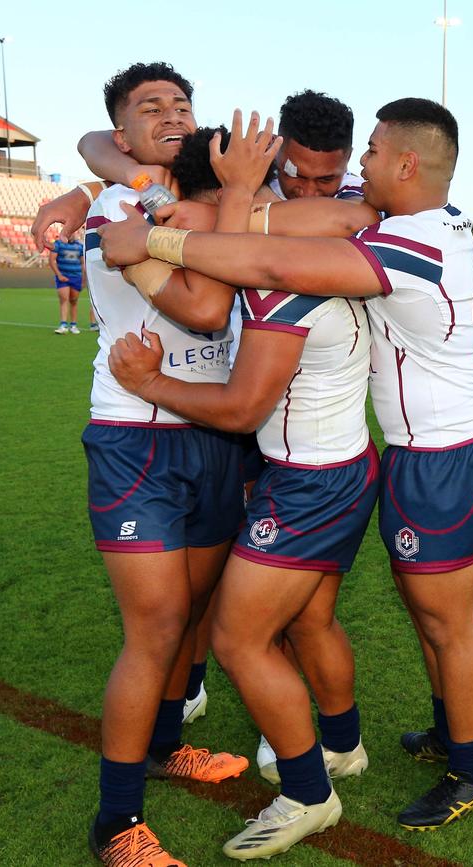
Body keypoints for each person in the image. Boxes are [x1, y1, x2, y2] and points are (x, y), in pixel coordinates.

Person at [100, 98, 473, 834]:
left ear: (407, 164)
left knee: (445, 624)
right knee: (415, 617)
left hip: (438, 455)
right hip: (407, 452)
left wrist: (154, 242)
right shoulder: (400, 221)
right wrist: (181, 212)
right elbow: (249, 221)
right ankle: (429, 735)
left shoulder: (401, 239)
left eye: (374, 154)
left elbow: (268, 259)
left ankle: (469, 769)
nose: (360, 170)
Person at [108, 113, 379, 861]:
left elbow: (240, 406)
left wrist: (152, 379)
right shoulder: (316, 240)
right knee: (311, 620)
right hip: (342, 464)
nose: (311, 188)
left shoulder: (281, 280)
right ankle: (343, 745)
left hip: (309, 481)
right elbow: (114, 158)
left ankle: (308, 793)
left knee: (237, 635)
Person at [81, 63, 249, 867]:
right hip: (136, 436)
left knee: (191, 619)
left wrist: (202, 201)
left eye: (181, 102)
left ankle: (163, 742)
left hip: (213, 433)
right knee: (153, 628)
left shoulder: (200, 199)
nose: (171, 113)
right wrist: (135, 188)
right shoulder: (119, 205)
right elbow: (206, 304)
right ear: (123, 136)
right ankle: (116, 825)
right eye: (150, 107)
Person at [49, 236, 85, 333]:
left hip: (76, 276)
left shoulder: (80, 246)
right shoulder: (58, 244)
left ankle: (73, 325)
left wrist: (83, 279)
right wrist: (59, 275)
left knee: (74, 301)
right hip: (63, 277)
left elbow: (83, 263)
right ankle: (63, 325)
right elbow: (52, 260)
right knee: (64, 299)